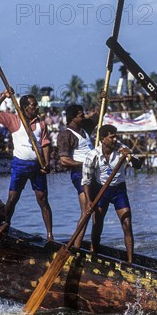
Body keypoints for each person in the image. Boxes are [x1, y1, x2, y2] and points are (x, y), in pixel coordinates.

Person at [0, 90, 53, 240]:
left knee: (43, 200)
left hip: (37, 166)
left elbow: (45, 144)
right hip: (19, 165)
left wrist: (47, 163)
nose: (36, 108)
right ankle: (6, 222)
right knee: (12, 198)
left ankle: (50, 235)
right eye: (33, 105)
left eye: (36, 105)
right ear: (24, 108)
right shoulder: (14, 120)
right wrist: (4, 96)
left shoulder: (41, 124)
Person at [81, 124, 141, 263]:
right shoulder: (92, 156)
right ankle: (93, 252)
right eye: (111, 137)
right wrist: (89, 201)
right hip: (101, 190)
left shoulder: (122, 150)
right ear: (103, 139)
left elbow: (138, 165)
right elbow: (86, 181)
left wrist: (130, 157)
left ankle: (130, 262)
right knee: (97, 223)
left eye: (116, 136)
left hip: (119, 190)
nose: (115, 140)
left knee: (127, 223)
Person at [57, 104, 98, 248]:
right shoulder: (65, 134)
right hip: (79, 174)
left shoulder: (85, 129)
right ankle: (76, 246)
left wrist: (102, 98)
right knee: (87, 209)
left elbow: (99, 114)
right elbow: (64, 160)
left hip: (93, 173)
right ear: (73, 118)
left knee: (96, 210)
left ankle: (94, 246)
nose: (84, 117)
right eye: (81, 115)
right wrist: (84, 164)